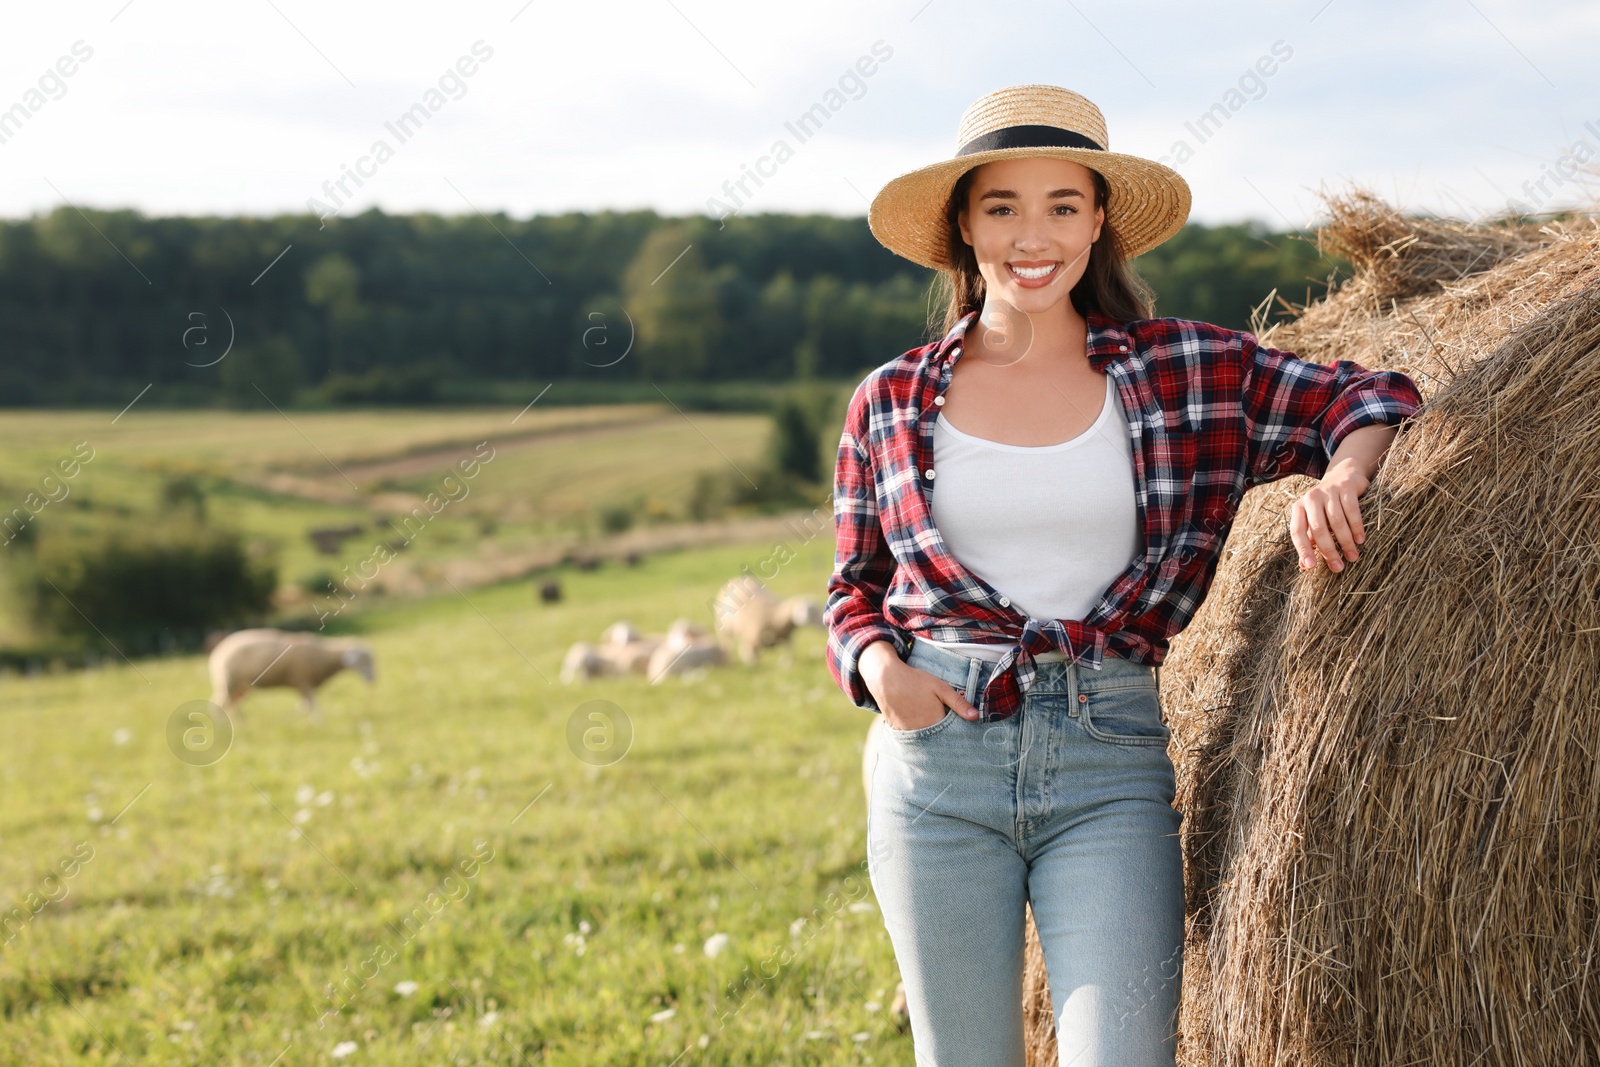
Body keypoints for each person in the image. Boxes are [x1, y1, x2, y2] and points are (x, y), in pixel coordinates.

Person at [823, 85, 1424, 1066]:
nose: (1033, 234)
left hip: (1109, 763)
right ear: (963, 227)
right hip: (936, 767)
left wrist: (1346, 471)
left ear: (1097, 222)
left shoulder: (1184, 368)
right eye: (1002, 206)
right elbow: (853, 587)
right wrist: (881, 673)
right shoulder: (889, 398)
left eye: (1062, 204)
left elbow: (1369, 394)